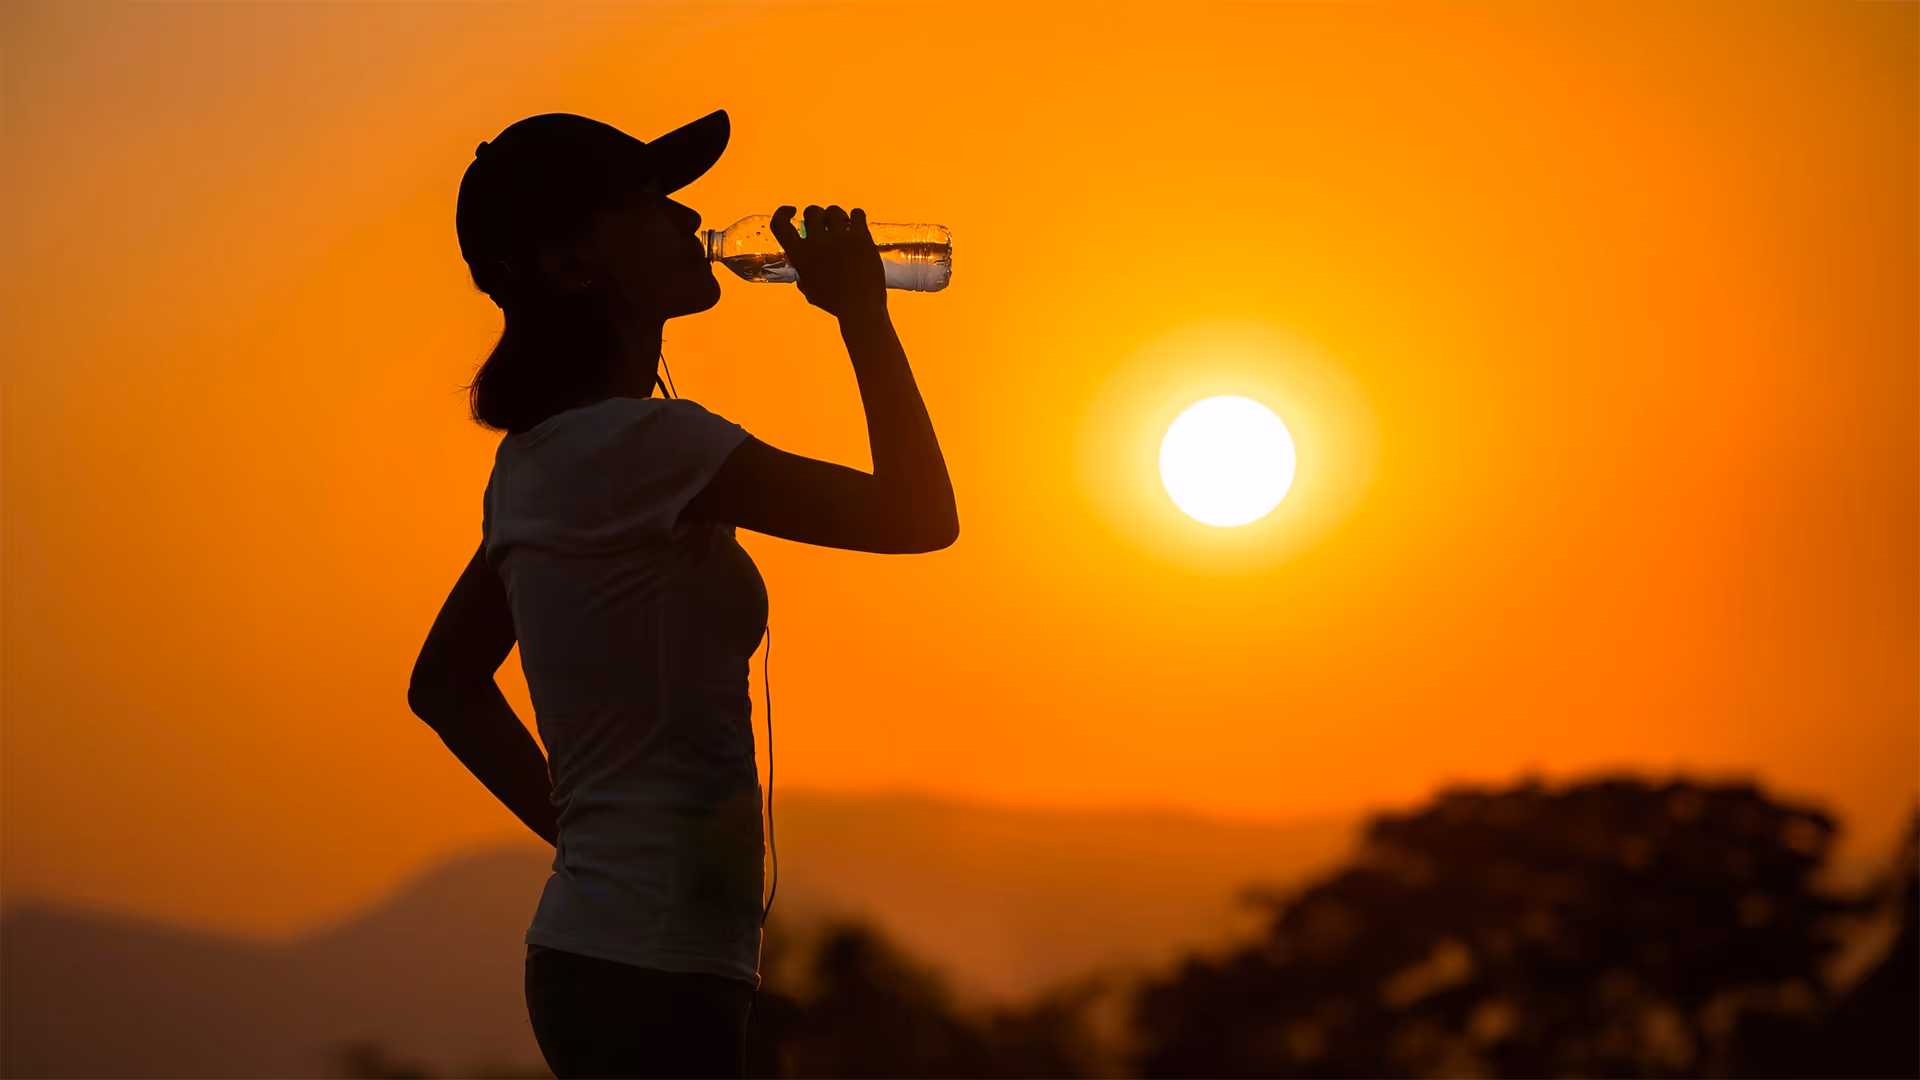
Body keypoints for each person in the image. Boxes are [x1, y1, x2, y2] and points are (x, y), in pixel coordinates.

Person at [404, 108, 958, 1079]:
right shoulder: (648, 449)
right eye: (650, 204)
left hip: (615, 958)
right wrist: (864, 313)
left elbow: (444, 685)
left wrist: (591, 840)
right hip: (647, 976)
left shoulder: (542, 460)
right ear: (574, 266)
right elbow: (918, 515)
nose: (687, 215)